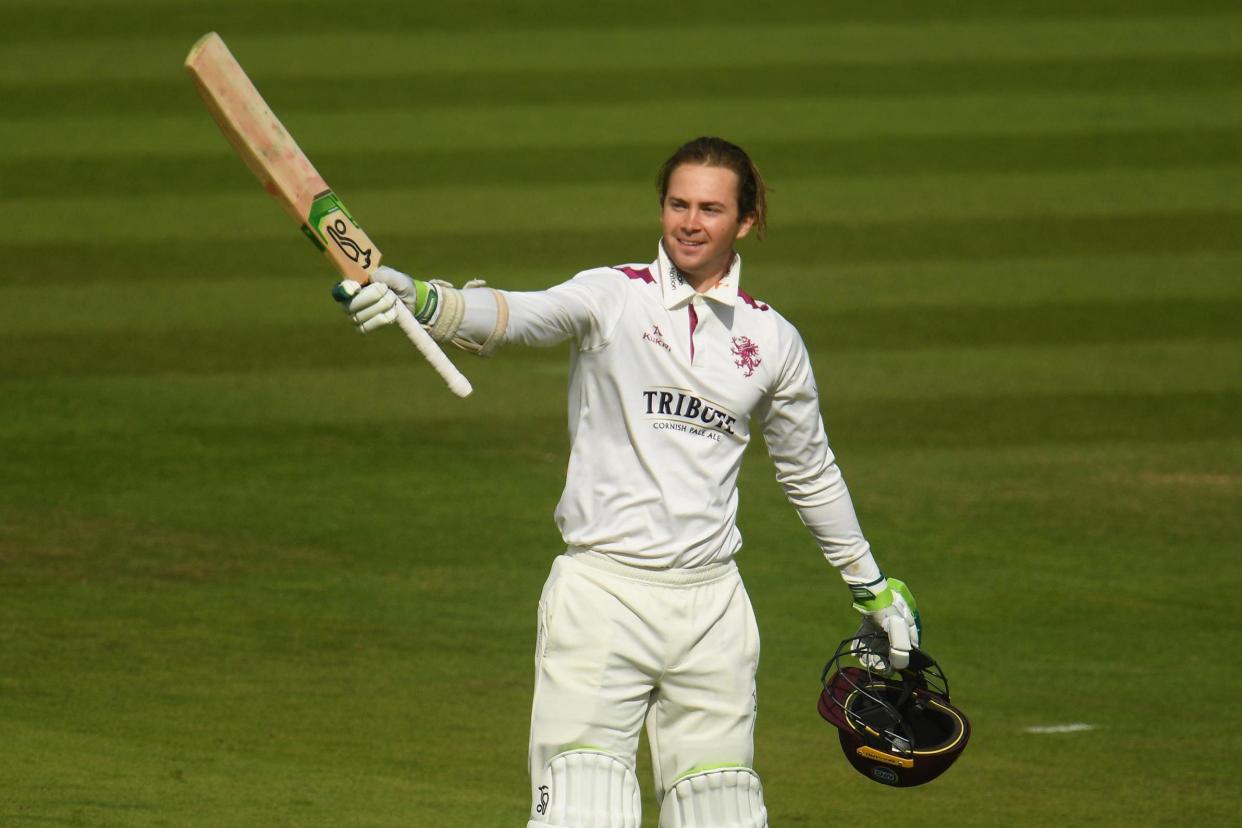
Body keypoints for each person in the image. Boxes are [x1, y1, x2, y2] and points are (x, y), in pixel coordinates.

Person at [334, 137, 920, 828]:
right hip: (602, 599)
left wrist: (870, 583)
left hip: (712, 613)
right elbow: (521, 316)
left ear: (748, 220)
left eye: (710, 208)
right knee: (585, 811)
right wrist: (426, 300)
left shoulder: (773, 341)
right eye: (677, 204)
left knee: (722, 814)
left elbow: (809, 470)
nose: (690, 222)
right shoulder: (614, 295)